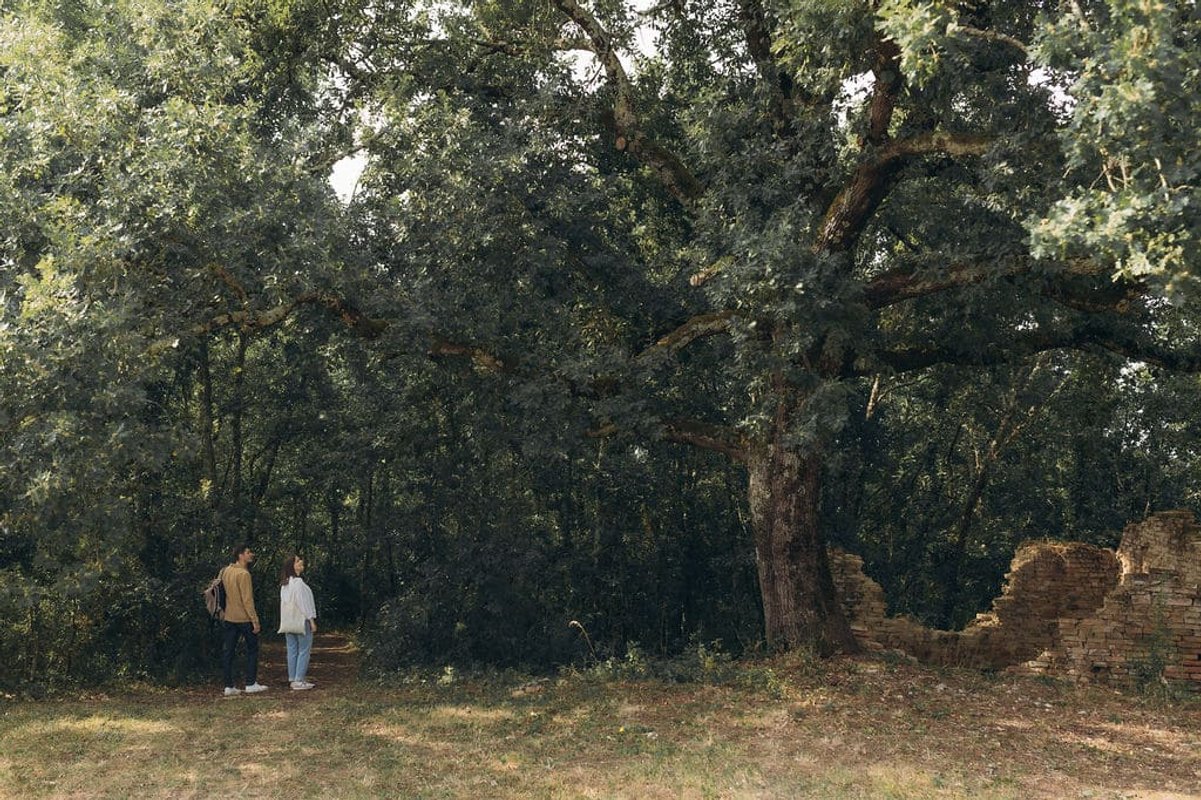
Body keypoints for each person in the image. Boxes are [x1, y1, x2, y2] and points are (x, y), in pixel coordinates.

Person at [220, 544, 268, 696]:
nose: (251, 554)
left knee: (228, 651)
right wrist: (255, 620)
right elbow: (247, 600)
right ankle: (250, 682)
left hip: (229, 616)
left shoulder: (225, 571)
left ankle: (228, 685)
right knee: (252, 650)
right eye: (248, 552)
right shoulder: (244, 574)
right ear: (240, 555)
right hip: (244, 618)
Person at [279, 555, 318, 690]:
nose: (300, 561)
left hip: (289, 622)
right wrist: (311, 620)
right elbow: (303, 604)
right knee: (304, 650)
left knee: (292, 650)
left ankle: (293, 677)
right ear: (292, 566)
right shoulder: (299, 583)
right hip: (301, 621)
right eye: (297, 561)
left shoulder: (285, 584)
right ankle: (299, 679)